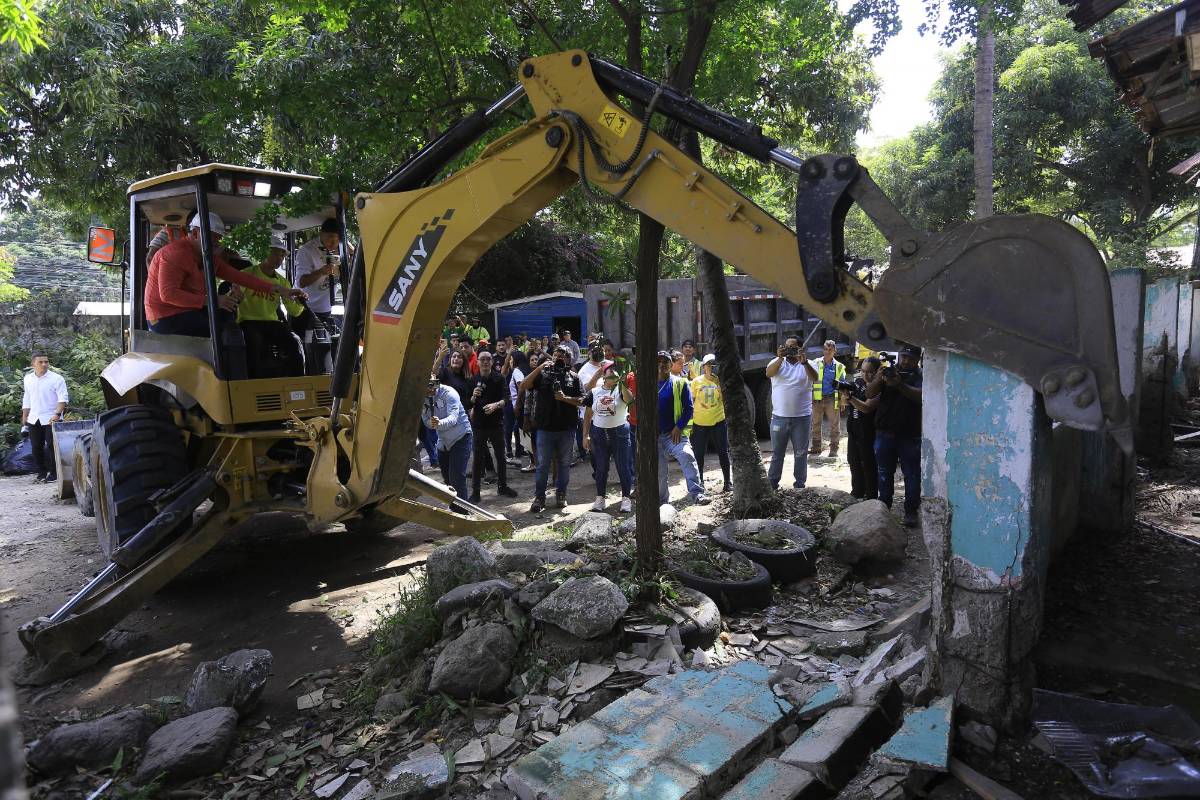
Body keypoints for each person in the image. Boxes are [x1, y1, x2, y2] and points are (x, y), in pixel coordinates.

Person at [145, 213, 303, 337]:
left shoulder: (210, 258)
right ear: (195, 233)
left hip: (190, 310)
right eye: (213, 237)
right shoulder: (174, 254)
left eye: (219, 238)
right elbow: (168, 295)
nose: (217, 242)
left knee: (229, 320)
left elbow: (242, 278)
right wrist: (214, 300)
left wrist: (282, 290)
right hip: (164, 316)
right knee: (221, 331)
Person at [521, 344, 583, 513]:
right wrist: (539, 367)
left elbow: (582, 400)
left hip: (567, 429)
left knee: (564, 464)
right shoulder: (542, 374)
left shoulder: (574, 377)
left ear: (569, 360)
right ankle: (539, 497)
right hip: (545, 429)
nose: (558, 358)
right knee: (542, 465)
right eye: (556, 355)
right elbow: (524, 386)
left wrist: (565, 398)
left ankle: (561, 494)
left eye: (562, 356)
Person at [867, 345, 923, 526]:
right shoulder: (888, 372)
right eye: (903, 356)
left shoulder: (920, 376)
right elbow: (869, 394)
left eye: (910, 358)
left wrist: (900, 385)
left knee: (912, 475)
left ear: (918, 359)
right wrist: (879, 379)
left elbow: (921, 397)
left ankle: (911, 512)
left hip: (910, 435)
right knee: (884, 473)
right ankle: (883, 509)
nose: (906, 361)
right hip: (884, 433)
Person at [567, 363, 634, 512]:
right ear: (604, 375)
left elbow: (630, 400)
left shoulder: (621, 390)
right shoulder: (595, 392)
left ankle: (626, 498)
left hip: (620, 432)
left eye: (617, 370)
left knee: (623, 466)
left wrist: (622, 383)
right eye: (611, 370)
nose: (614, 372)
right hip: (599, 433)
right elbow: (588, 414)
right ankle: (600, 498)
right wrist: (585, 435)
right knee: (601, 467)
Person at [236, 235, 306, 377]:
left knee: (295, 341)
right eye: (274, 253)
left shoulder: (283, 282)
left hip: (272, 323)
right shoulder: (247, 274)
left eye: (282, 255)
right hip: (248, 321)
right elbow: (236, 296)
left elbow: (294, 312)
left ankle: (298, 381)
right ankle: (254, 382)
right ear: (262, 253)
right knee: (254, 342)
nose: (279, 258)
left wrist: (300, 302)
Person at [655, 351, 709, 505]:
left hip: (673, 434)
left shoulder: (680, 383)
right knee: (659, 471)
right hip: (655, 436)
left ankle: (697, 494)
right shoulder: (647, 384)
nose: (661, 365)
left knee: (687, 455)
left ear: (671, 364)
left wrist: (678, 427)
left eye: (665, 362)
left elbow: (689, 408)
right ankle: (662, 502)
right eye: (658, 362)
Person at [766, 336, 819, 490]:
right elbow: (769, 373)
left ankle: (799, 485)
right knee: (777, 453)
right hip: (779, 418)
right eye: (787, 347)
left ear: (800, 349)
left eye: (793, 347)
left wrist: (804, 362)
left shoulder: (810, 364)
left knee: (801, 453)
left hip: (802, 419)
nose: (789, 350)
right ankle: (772, 483)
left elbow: (815, 378)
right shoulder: (777, 362)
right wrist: (779, 358)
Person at [468, 351, 519, 502]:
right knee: (478, 458)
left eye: (488, 359)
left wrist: (496, 405)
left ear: (492, 362)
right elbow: (468, 403)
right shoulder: (472, 380)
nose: (485, 362)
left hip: (496, 423)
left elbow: (507, 398)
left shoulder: (499, 378)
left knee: (500, 457)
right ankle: (476, 492)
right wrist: (473, 396)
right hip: (479, 424)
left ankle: (502, 486)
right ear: (477, 362)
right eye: (482, 359)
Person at [421, 375, 472, 502]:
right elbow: (426, 420)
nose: (429, 389)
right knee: (447, 479)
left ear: (435, 380)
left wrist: (439, 423)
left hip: (461, 437)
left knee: (457, 478)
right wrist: (432, 423)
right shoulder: (421, 398)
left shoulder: (449, 393)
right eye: (425, 386)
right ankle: (454, 505)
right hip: (443, 441)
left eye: (431, 384)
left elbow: (453, 418)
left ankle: (463, 510)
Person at [21, 352, 68, 483]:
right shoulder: (28, 379)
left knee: (52, 446)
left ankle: (54, 473)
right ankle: (41, 472)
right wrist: (25, 415)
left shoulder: (57, 378)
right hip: (34, 417)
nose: (44, 364)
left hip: (51, 417)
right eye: (40, 362)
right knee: (36, 446)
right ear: (33, 364)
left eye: (46, 362)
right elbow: (27, 397)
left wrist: (57, 414)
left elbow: (63, 398)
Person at [690, 354, 731, 492]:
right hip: (700, 423)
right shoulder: (696, 382)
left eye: (714, 365)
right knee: (699, 454)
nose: (711, 368)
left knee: (723, 452)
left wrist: (719, 385)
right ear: (704, 367)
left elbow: (726, 400)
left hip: (718, 421)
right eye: (709, 365)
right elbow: (691, 401)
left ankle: (728, 482)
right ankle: (700, 482)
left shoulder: (721, 381)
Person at [293, 219, 342, 334]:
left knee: (327, 343)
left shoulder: (341, 248)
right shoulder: (307, 250)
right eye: (330, 238)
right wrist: (321, 272)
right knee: (306, 342)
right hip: (305, 309)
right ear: (321, 233)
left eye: (337, 239)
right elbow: (301, 282)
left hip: (326, 309)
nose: (333, 243)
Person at [845, 356, 880, 500]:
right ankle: (857, 492)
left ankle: (871, 496)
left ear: (877, 372)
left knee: (868, 463)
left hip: (869, 430)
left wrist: (850, 398)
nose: (865, 375)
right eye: (863, 371)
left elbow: (867, 408)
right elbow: (848, 404)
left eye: (870, 372)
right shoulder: (858, 382)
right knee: (853, 460)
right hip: (854, 428)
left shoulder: (878, 386)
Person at [809, 340, 846, 458]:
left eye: (830, 350)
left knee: (834, 425)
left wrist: (842, 401)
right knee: (816, 423)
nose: (827, 352)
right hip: (817, 398)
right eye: (825, 349)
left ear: (835, 351)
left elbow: (843, 385)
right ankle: (816, 447)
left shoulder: (839, 366)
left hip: (831, 398)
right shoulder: (815, 363)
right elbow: (810, 380)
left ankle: (834, 449)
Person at [518, 352, 543, 474]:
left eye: (536, 359)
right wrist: (526, 418)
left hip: (545, 417)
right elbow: (527, 399)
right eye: (532, 360)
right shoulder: (529, 377)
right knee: (532, 439)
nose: (534, 361)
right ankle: (535, 463)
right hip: (533, 416)